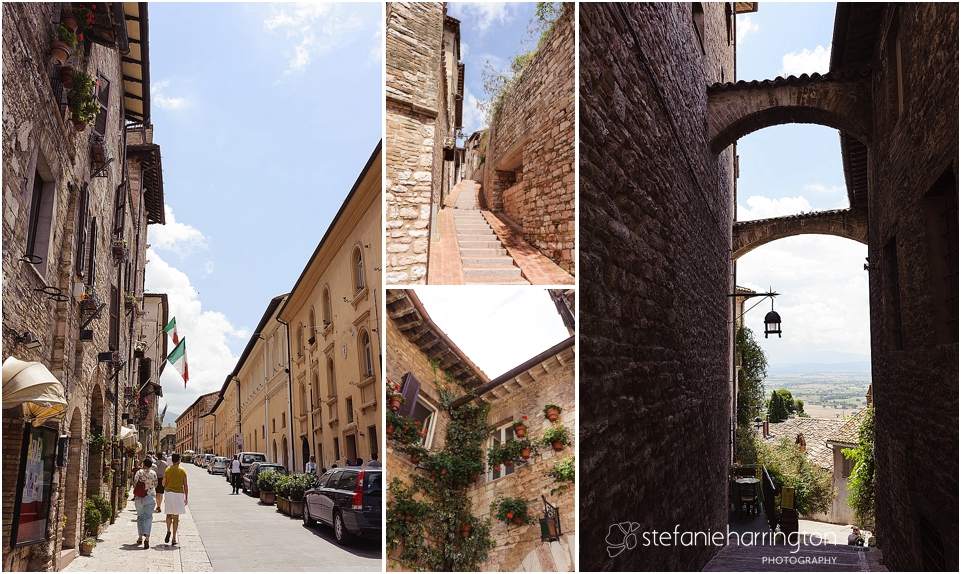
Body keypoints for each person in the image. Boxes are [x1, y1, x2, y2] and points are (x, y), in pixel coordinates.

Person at [132, 457, 158, 549]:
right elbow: (156, 484)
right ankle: (147, 537)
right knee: (148, 517)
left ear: (143, 464)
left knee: (140, 517)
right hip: (150, 497)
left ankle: (140, 537)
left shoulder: (139, 472)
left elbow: (134, 483)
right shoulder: (153, 473)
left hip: (140, 498)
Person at [162, 453, 188, 545]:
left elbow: (163, 483)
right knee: (176, 518)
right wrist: (186, 497)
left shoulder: (167, 470)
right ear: (179, 460)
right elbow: (185, 485)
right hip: (178, 494)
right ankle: (173, 538)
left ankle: (168, 530)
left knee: (169, 515)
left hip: (169, 493)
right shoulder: (182, 470)